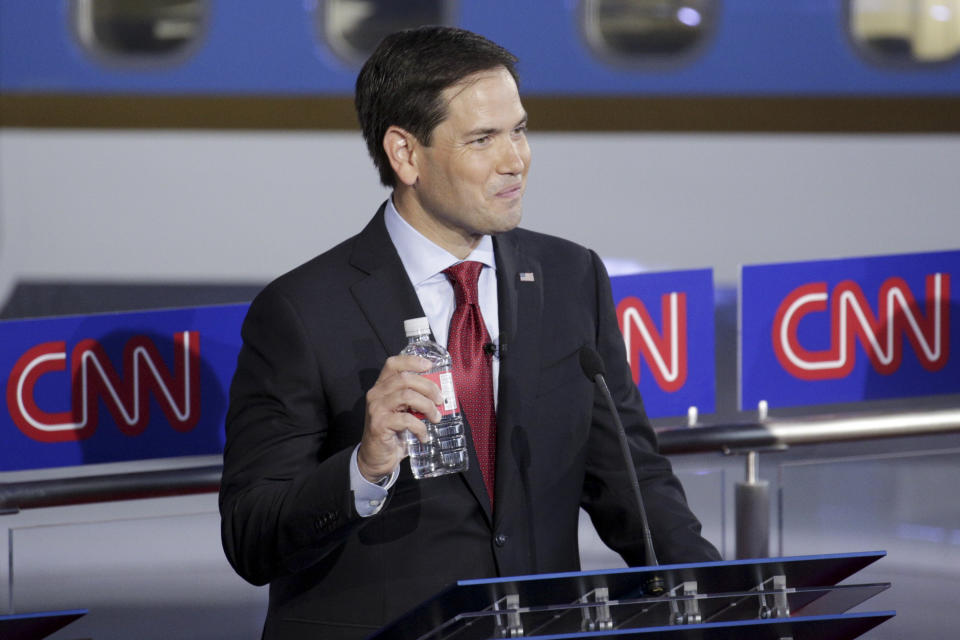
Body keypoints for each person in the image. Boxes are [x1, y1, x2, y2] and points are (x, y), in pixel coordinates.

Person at [219, 25, 720, 639]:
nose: (516, 160)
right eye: (483, 139)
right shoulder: (300, 310)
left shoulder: (570, 276)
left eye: (520, 130)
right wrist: (365, 467)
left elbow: (631, 481)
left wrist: (722, 600)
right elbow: (251, 537)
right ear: (405, 155)